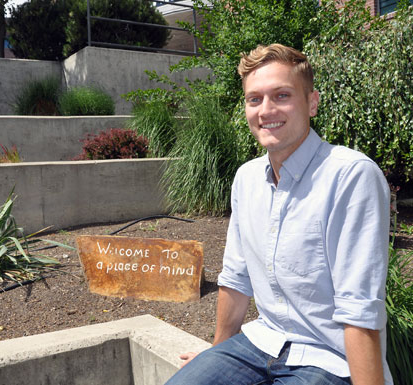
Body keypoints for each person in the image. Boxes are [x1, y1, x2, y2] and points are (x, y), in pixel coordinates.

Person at [165, 44, 393, 385]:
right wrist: (216, 357)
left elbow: (359, 309)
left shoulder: (350, 176)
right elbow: (236, 278)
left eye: (281, 95)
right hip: (261, 341)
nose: (265, 110)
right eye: (254, 99)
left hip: (328, 358)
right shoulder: (246, 179)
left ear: (311, 102)